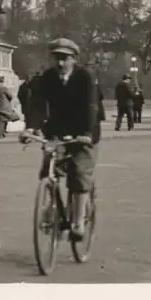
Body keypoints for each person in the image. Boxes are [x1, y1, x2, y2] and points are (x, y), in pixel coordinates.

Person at [25, 38, 97, 241]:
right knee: (49, 167)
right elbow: (38, 104)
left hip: (83, 132)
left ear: (74, 59)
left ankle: (78, 222)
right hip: (57, 131)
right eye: (56, 58)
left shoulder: (85, 77)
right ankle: (51, 205)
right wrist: (31, 128)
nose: (60, 63)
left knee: (79, 172)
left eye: (65, 58)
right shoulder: (47, 78)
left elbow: (91, 106)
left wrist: (87, 133)